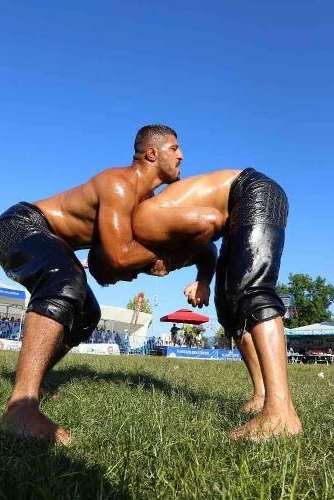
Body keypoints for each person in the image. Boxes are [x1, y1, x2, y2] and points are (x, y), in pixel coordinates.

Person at [0, 124, 189, 444]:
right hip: (20, 224)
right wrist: (162, 255)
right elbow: (122, 255)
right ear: (152, 153)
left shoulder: (144, 201)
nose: (181, 155)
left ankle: (34, 380)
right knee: (64, 280)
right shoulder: (120, 183)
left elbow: (111, 263)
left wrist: (160, 260)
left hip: (56, 242)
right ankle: (20, 408)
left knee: (86, 314)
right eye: (174, 148)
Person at [122, 168, 303, 440]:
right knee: (230, 309)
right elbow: (208, 247)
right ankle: (262, 394)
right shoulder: (160, 228)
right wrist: (203, 281)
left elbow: (211, 220)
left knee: (253, 290)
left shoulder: (146, 220)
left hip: (252, 190)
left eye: (147, 269)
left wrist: (186, 261)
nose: (158, 272)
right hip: (236, 210)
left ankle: (281, 413)